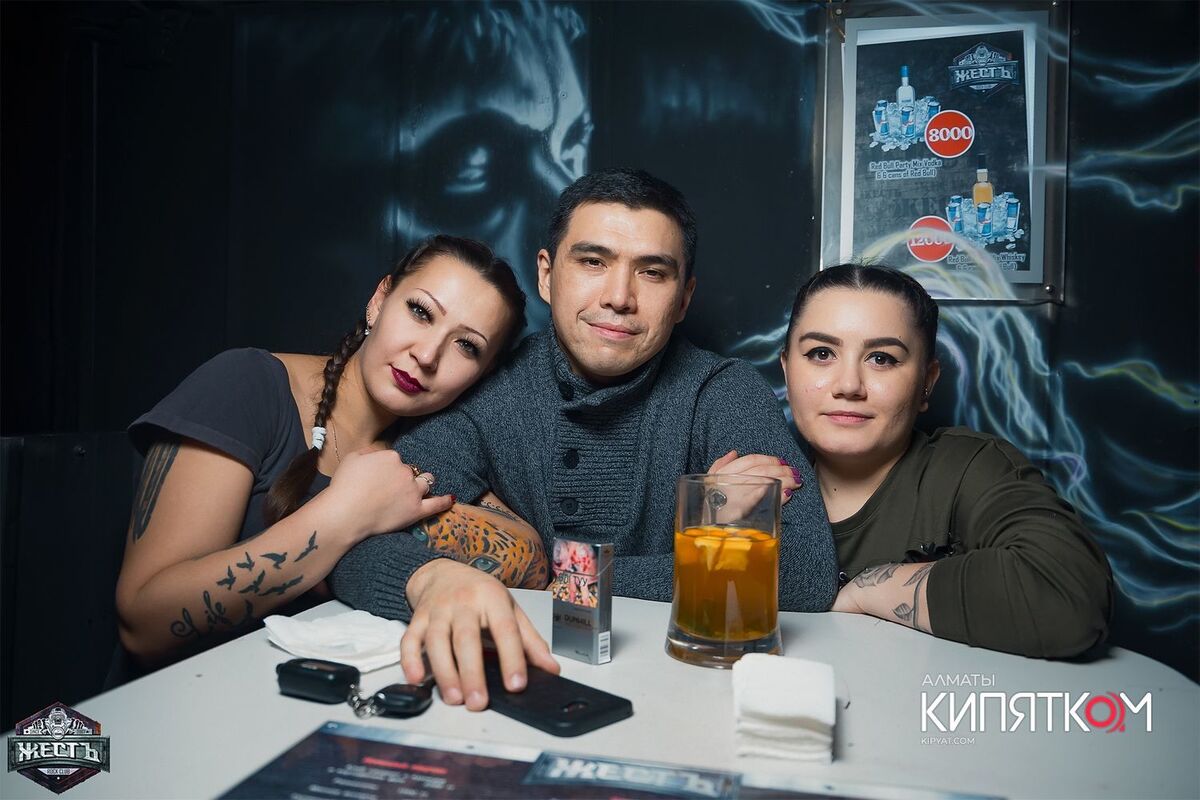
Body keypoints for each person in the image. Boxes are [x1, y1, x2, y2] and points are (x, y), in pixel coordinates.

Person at [332, 168, 838, 709]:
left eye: (652, 272)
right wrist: (431, 579)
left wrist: (558, 576)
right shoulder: (485, 387)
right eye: (593, 262)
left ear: (684, 299)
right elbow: (357, 544)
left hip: (686, 694)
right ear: (547, 275)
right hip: (513, 688)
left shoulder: (722, 393)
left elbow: (807, 573)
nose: (619, 297)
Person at [115, 235, 539, 669]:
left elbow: (531, 556)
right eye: (420, 311)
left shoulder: (428, 451)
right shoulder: (246, 385)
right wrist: (344, 516)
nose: (427, 355)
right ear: (379, 300)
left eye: (467, 346)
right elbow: (143, 625)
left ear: (481, 376)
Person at [779, 263, 1112, 657]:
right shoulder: (753, 480)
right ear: (787, 369)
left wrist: (867, 590)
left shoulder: (969, 468)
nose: (849, 385)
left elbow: (1068, 597)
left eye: (882, 359)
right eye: (821, 353)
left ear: (927, 381)